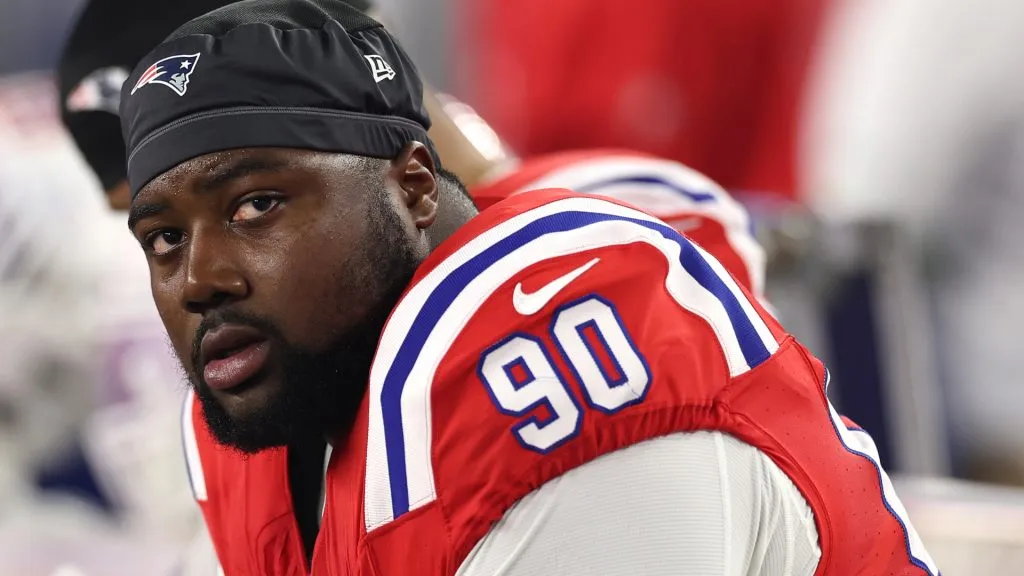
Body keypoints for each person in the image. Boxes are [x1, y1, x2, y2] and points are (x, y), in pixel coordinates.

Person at [122, 1, 937, 575]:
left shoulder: (552, 348)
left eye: (256, 205)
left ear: (413, 185)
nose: (201, 279)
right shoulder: (266, 400)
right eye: (162, 237)